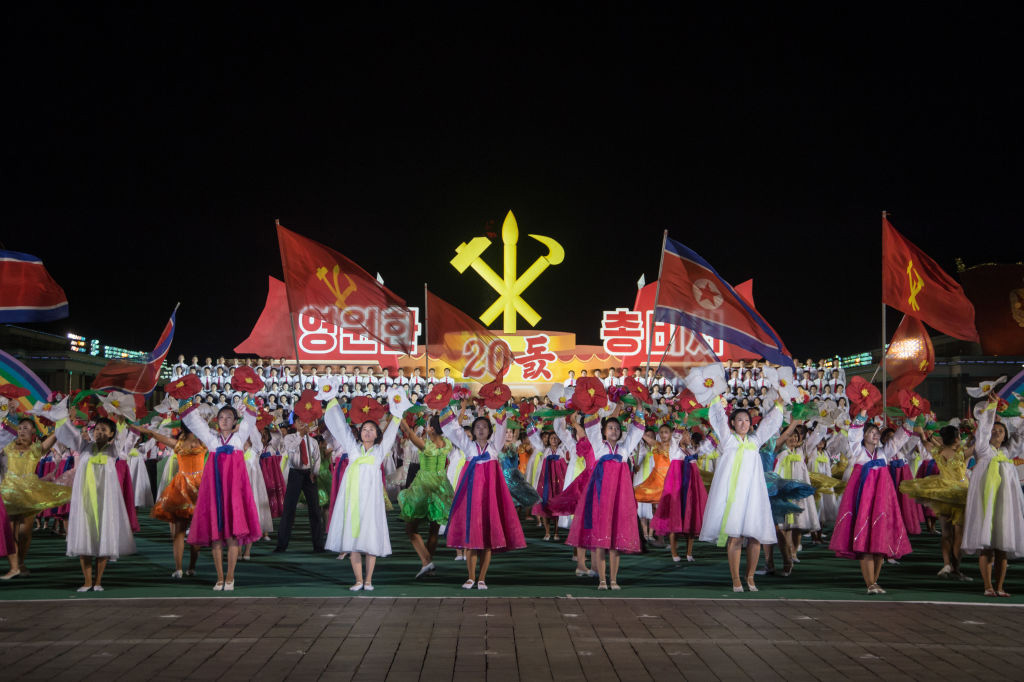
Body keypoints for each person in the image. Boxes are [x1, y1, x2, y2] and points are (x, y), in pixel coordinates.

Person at [323, 388, 410, 590]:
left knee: (370, 538)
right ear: (360, 433)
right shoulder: (352, 448)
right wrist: (332, 400)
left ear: (376, 434)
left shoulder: (379, 451)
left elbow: (390, 434)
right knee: (353, 541)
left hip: (371, 502)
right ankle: (358, 580)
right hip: (353, 501)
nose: (367, 432)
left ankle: (369, 580)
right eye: (364, 429)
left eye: (371, 430)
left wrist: (397, 413)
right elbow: (341, 427)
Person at [699, 395, 784, 592]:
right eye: (739, 420)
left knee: (754, 537)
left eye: (747, 420)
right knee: (735, 538)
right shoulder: (727, 439)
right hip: (733, 496)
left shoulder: (755, 441)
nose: (744, 423)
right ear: (733, 423)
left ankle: (751, 577)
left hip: (753, 496)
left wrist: (778, 404)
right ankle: (736, 579)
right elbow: (718, 419)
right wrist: (715, 398)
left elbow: (769, 425)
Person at [440, 400, 526, 589]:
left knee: (487, 538)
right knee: (471, 538)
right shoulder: (468, 446)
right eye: (477, 427)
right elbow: (454, 430)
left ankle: (482, 578)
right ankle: (470, 577)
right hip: (471, 498)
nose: (480, 429)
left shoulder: (494, 447)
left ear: (489, 430)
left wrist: (501, 408)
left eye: (484, 427)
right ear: (473, 429)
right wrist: (444, 408)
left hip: (489, 498)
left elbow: (502, 428)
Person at [181, 397, 263, 590]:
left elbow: (250, 419)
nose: (225, 420)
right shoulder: (211, 438)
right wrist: (184, 399)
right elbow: (195, 422)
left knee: (233, 535)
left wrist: (250, 395)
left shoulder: (239, 437)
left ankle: (230, 576)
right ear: (217, 420)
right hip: (215, 490)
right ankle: (219, 577)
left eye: (229, 417)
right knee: (216, 536)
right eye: (221, 417)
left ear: (235, 421)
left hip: (234, 491)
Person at [828, 411, 913, 594]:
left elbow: (898, 440)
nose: (875, 435)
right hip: (864, 504)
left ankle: (874, 582)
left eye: (876, 432)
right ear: (863, 436)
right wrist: (862, 414)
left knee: (879, 545)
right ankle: (870, 584)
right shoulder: (858, 452)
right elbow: (853, 434)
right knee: (865, 543)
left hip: (881, 504)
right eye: (871, 432)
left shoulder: (884, 453)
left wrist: (910, 421)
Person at [568, 403, 646, 590]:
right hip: (600, 501)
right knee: (601, 542)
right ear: (603, 431)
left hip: (619, 501)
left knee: (615, 544)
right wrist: (591, 404)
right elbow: (591, 429)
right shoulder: (598, 447)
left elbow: (636, 433)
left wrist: (640, 409)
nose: (614, 430)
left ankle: (613, 580)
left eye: (617, 428)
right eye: (610, 427)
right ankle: (602, 580)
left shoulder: (624, 450)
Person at [56, 417, 136, 591]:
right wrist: (62, 416)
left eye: (104, 430)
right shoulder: (84, 447)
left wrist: (121, 419)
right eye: (98, 428)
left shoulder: (112, 451)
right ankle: (87, 581)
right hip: (84, 501)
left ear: (111, 434)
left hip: (105, 501)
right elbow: (70, 433)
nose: (99, 432)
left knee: (104, 538)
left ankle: (98, 581)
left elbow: (122, 439)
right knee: (84, 537)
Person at [961, 396, 1024, 597]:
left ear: (1006, 435)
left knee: (1002, 548)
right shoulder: (983, 449)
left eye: (1001, 431)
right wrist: (992, 408)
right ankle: (988, 586)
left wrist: (1019, 414)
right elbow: (985, 428)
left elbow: (1021, 436)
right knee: (987, 546)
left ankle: (1000, 587)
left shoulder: (1008, 452)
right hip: (986, 503)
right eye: (994, 431)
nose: (996, 432)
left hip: (1004, 504)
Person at [1, 417, 70, 576]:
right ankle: (15, 565)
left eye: (25, 428)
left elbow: (56, 434)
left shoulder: (37, 448)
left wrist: (63, 419)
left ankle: (21, 562)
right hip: (8, 492)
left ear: (33, 431)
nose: (21, 431)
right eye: (19, 428)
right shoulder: (7, 446)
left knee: (25, 532)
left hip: (29, 492)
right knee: (11, 533)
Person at [144, 422, 207, 578]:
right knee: (188, 531)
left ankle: (183, 568)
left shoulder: (191, 442)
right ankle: (186, 568)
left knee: (182, 531)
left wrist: (139, 429)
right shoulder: (202, 441)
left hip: (189, 487)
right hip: (190, 487)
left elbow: (156, 435)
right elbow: (156, 436)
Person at [397, 415, 454, 578]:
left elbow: (408, 431)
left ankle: (427, 561)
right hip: (441, 485)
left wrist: (398, 414)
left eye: (427, 426)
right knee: (434, 529)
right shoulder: (447, 443)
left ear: (433, 429)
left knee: (411, 528)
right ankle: (428, 565)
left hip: (425, 485)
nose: (425, 428)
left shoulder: (425, 445)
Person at [652, 425, 707, 563]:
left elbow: (705, 448)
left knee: (691, 519)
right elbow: (675, 438)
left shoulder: (690, 451)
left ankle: (689, 553)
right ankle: (674, 552)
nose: (688, 437)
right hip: (677, 488)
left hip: (689, 489)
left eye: (689, 435)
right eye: (686, 435)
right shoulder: (674, 449)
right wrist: (680, 427)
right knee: (674, 521)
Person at [274, 420, 325, 553]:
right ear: (295, 424)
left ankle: (318, 545)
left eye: (305, 422)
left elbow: (317, 458)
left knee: (315, 510)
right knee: (289, 510)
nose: (303, 424)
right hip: (295, 473)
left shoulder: (312, 441)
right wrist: (301, 436)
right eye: (300, 422)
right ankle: (282, 544)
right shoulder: (289, 438)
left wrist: (315, 472)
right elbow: (290, 449)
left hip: (309, 475)